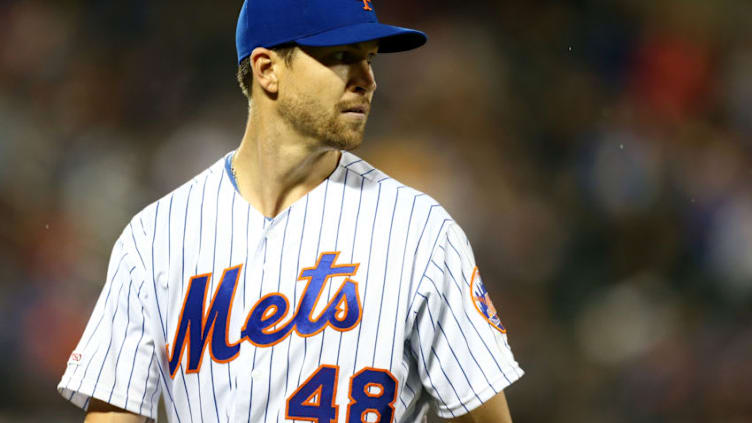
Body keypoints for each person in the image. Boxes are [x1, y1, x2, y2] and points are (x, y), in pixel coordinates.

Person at [57, 0, 524, 421]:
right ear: (267, 70)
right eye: (341, 56)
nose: (367, 78)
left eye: (368, 57)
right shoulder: (156, 237)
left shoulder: (419, 231)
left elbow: (484, 415)